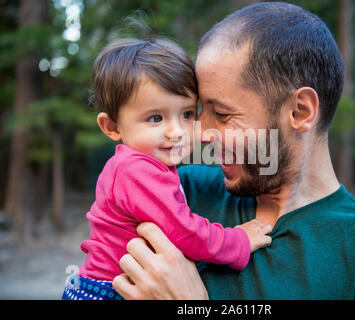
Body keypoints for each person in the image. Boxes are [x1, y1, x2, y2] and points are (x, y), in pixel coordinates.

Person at [111, 2, 355, 300]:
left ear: (300, 112)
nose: (201, 134)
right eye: (197, 112)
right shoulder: (178, 191)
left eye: (222, 114)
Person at [61, 36, 273, 300]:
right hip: (109, 291)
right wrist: (237, 242)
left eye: (186, 114)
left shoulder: (148, 165)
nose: (176, 131)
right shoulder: (135, 171)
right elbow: (182, 231)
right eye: (156, 118)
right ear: (112, 127)